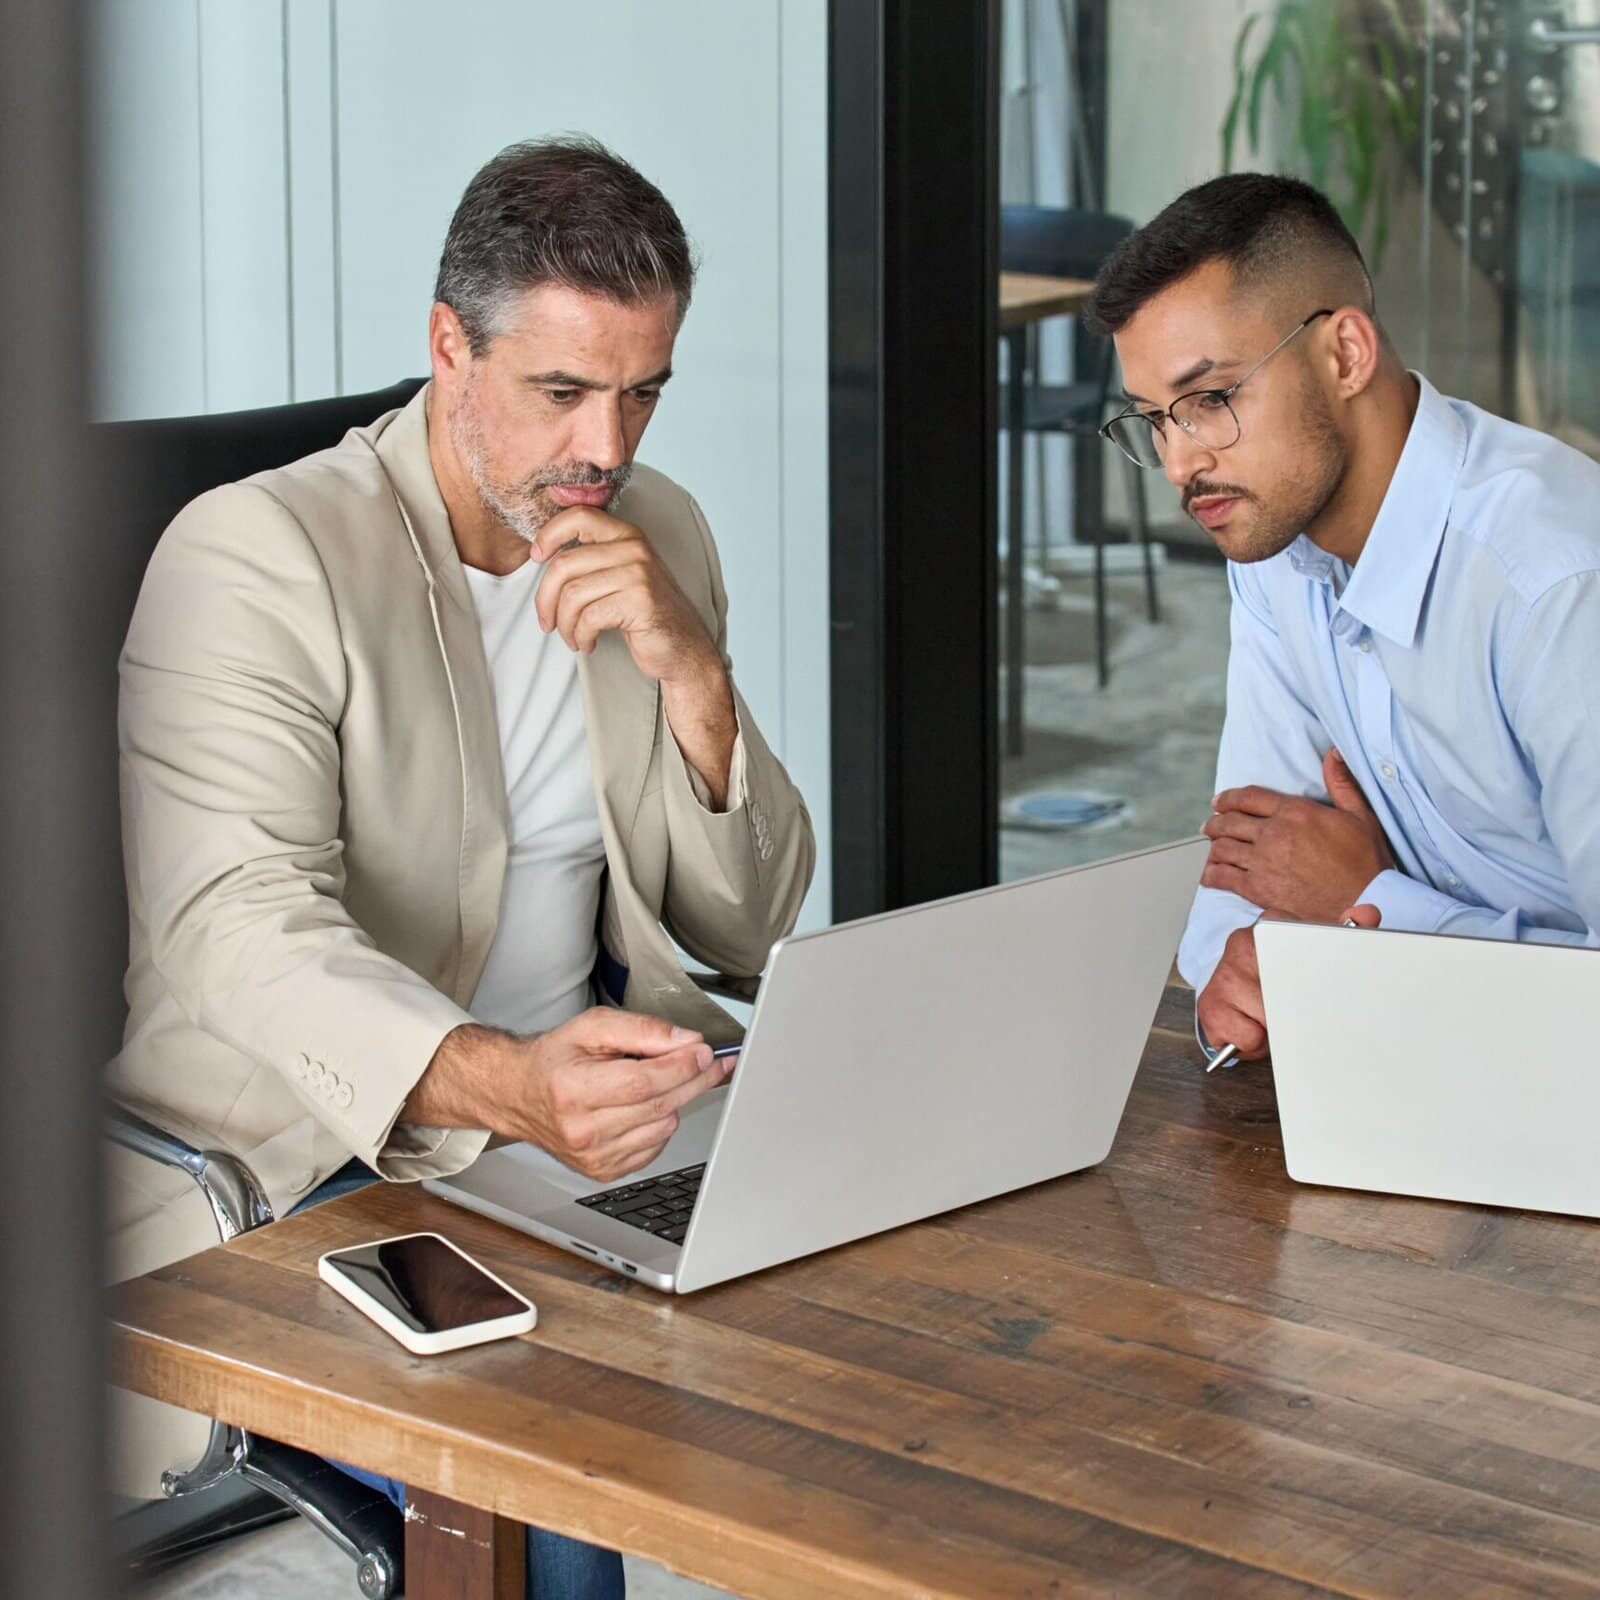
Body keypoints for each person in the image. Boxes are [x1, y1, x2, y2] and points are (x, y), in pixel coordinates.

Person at [108, 136, 814, 1596]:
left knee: (895, 1311)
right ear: (449, 346)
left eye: (643, 392)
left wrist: (692, 675)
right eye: (563, 391)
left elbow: (749, 924)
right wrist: (509, 1083)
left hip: (578, 1141)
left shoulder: (654, 531)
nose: (607, 449)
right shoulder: (256, 557)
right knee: (550, 1464)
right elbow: (237, 929)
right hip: (305, 1172)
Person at [1084, 172, 1600, 1061]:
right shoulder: (1273, 548)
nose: (1180, 464)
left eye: (1211, 401)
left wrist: (1371, 906)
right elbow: (1240, 884)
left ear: (1347, 354)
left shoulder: (1554, 583)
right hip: (1391, 1084)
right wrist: (1237, 980)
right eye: (1155, 421)